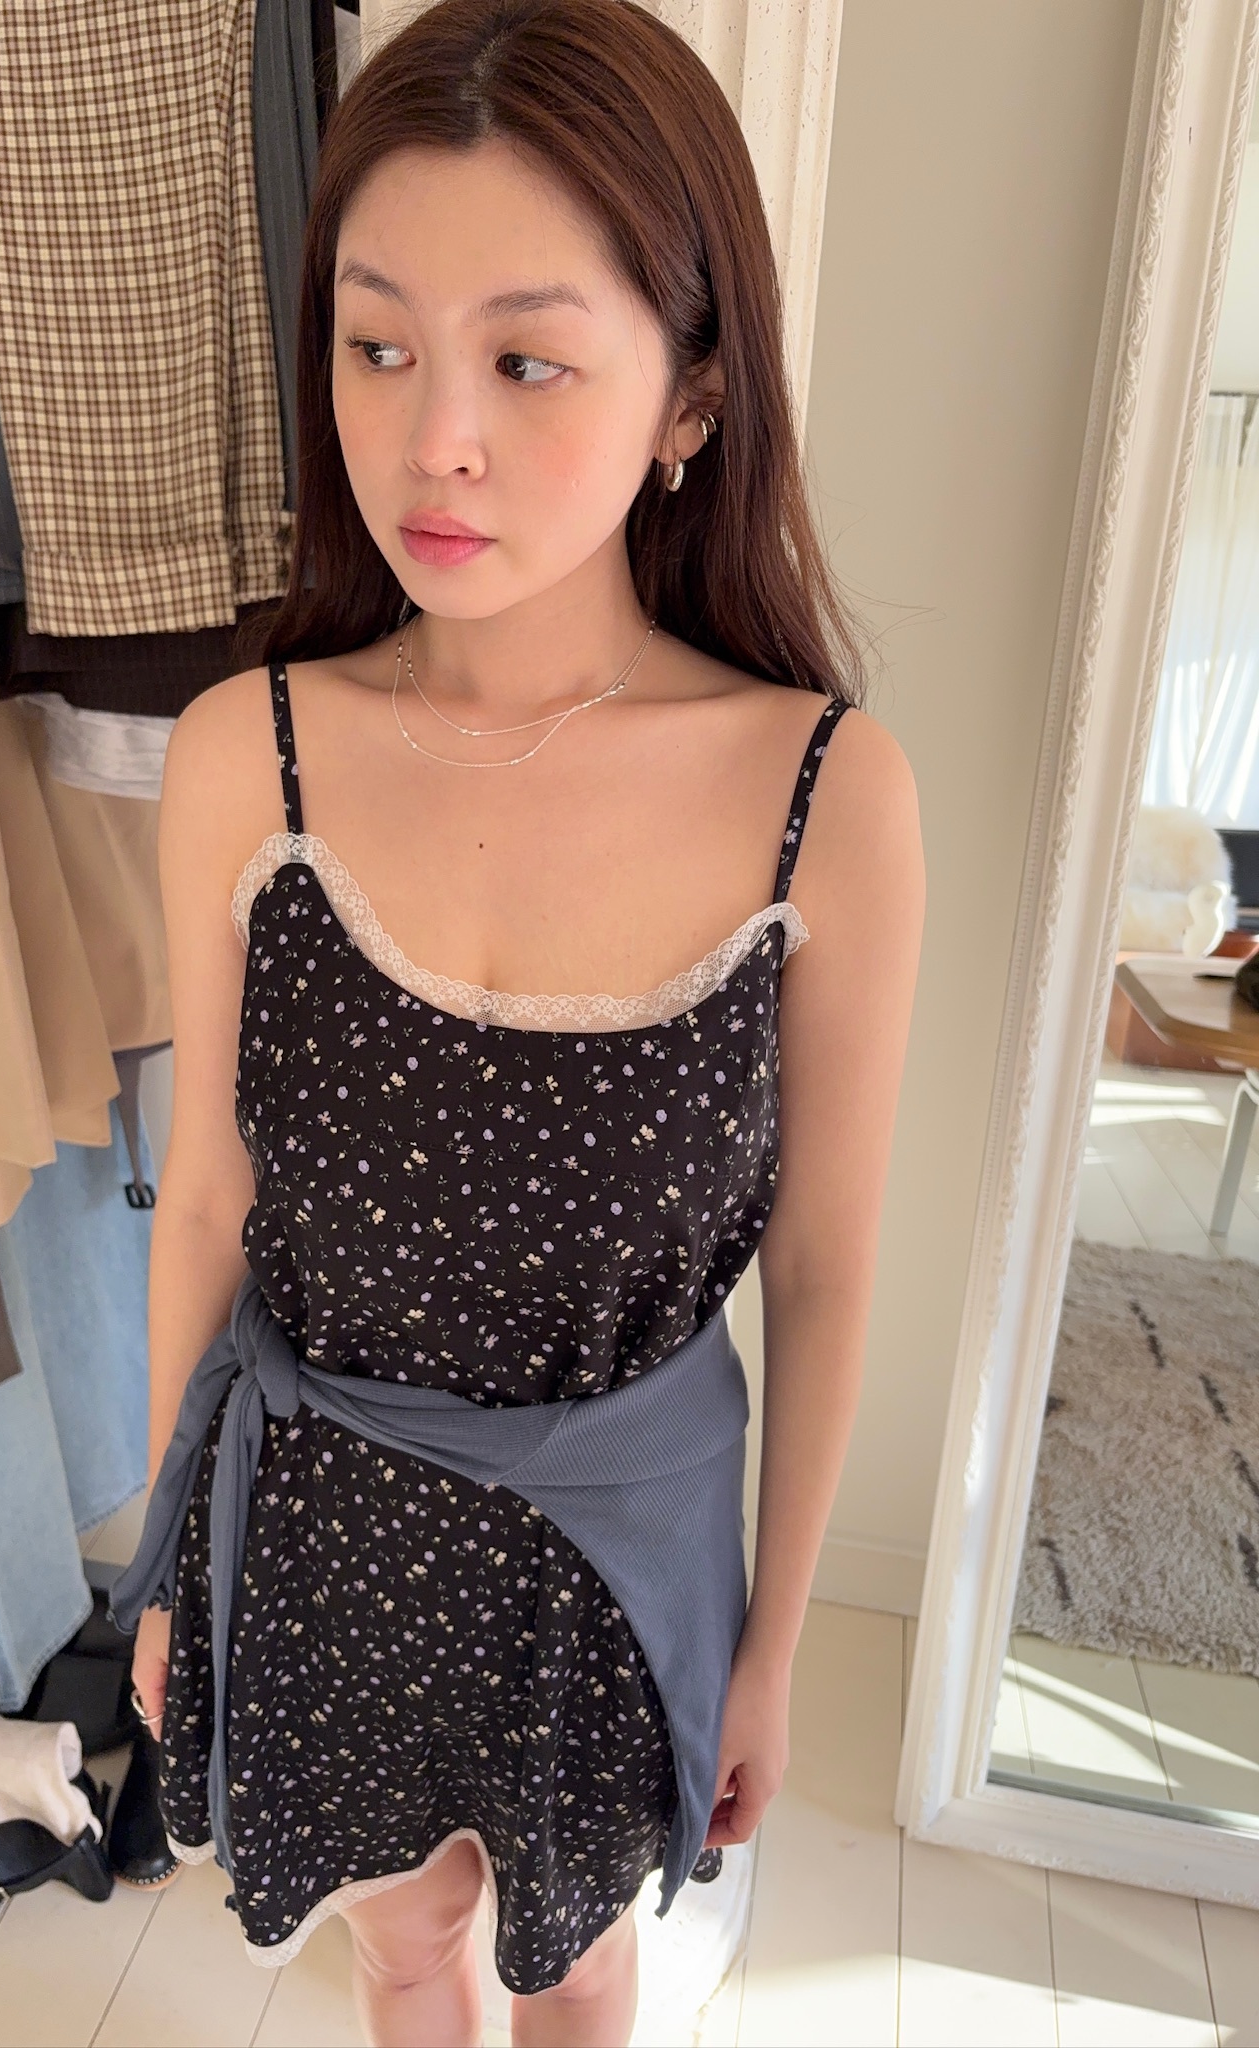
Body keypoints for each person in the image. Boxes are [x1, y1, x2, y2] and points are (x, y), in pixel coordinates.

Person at [128, 0, 925, 2041]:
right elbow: (206, 1193)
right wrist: (167, 1559)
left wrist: (772, 1646)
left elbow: (828, 1263)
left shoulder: (824, 796)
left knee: (576, 1967)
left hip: (619, 1556)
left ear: (691, 397)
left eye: (526, 359)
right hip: (321, 1529)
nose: (434, 440)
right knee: (403, 1946)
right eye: (378, 344)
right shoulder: (244, 757)